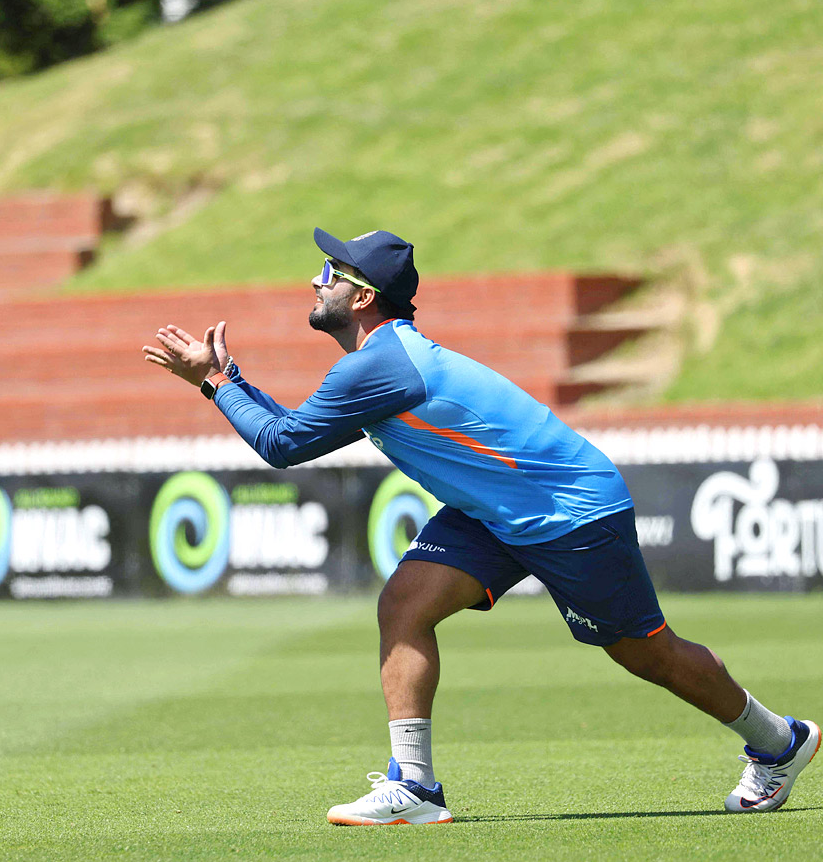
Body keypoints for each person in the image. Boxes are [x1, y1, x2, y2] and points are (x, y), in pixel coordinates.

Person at [141, 227, 819, 825]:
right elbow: (289, 431)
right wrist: (223, 380)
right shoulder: (378, 360)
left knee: (647, 653)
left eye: (331, 275)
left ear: (363, 296)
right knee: (404, 605)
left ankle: (779, 742)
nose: (315, 282)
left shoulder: (379, 365)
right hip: (495, 511)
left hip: (566, 510)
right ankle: (414, 786)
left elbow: (283, 444)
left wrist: (217, 383)